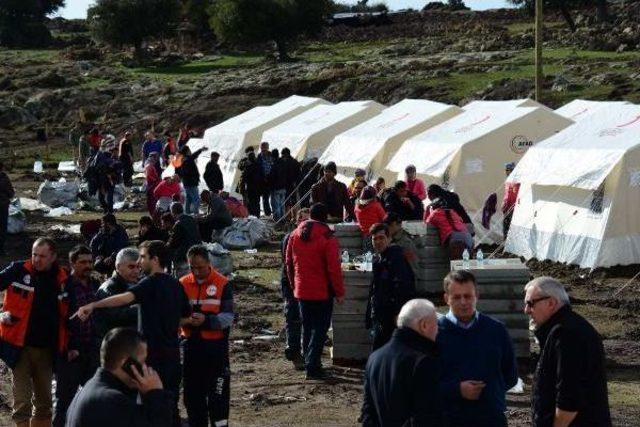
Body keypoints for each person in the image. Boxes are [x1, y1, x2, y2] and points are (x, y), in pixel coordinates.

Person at [73, 240, 191, 427]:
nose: (140, 263)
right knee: (170, 408)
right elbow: (186, 317)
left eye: (143, 257)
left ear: (155, 259)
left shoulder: (149, 283)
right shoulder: (176, 285)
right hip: (173, 356)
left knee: (149, 408)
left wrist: (94, 304)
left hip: (151, 360)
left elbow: (125, 298)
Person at [0, 238, 69, 427]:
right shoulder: (18, 270)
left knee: (44, 402)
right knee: (22, 401)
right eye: (34, 254)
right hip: (20, 347)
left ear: (53, 257)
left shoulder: (62, 278)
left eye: (42, 256)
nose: (37, 260)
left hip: (47, 350)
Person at [524, 277, 611, 427]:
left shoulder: (566, 334)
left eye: (530, 303)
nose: (526, 310)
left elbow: (569, 399)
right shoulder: (564, 329)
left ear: (551, 303)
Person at [437, 270, 518, 427]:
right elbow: (424, 384)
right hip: (450, 419)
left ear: (477, 296)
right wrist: (457, 390)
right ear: (446, 299)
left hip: (490, 418)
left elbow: (510, 375)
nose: (463, 302)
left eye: (468, 296)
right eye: (456, 297)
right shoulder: (434, 334)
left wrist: (490, 392)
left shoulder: (496, 330)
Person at [65, 328, 174, 427]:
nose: (146, 367)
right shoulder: (111, 401)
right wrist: (155, 394)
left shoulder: (93, 389)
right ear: (127, 364)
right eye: (143, 361)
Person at [285, 203, 345, 379]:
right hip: (321, 291)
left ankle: (309, 361)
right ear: (325, 217)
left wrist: (293, 284)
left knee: (308, 326)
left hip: (302, 288)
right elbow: (333, 268)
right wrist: (339, 292)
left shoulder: (294, 235)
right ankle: (313, 365)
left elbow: (288, 263)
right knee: (320, 329)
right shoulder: (328, 237)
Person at [361, 299, 442, 427]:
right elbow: (424, 417)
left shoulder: (374, 358)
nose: (438, 330)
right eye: (436, 324)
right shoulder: (423, 362)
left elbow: (367, 413)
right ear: (424, 325)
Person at [180, 245, 234, 427]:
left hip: (215, 350)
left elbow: (228, 317)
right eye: (192, 267)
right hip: (190, 348)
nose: (196, 272)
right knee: (193, 398)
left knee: (218, 398)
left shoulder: (222, 283)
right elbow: (172, 316)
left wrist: (206, 321)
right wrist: (186, 321)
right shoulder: (182, 283)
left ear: (209, 263)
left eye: (200, 267)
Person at [53, 246, 101, 427]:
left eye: (90, 262)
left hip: (92, 350)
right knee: (64, 402)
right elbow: (58, 320)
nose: (88, 266)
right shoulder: (64, 287)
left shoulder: (95, 285)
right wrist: (69, 346)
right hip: (70, 353)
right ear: (73, 263)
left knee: (94, 401)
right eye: (83, 262)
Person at [366, 223, 416, 350]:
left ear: (389, 239)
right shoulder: (379, 260)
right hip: (380, 315)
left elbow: (405, 286)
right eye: (374, 239)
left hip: (391, 317)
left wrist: (397, 313)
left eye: (381, 238)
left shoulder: (395, 258)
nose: (378, 242)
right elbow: (375, 290)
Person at [280, 208, 310, 370]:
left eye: (306, 220)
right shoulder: (289, 238)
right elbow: (286, 263)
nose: (303, 223)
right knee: (292, 315)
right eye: (301, 219)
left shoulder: (309, 238)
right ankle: (292, 347)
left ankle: (299, 348)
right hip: (291, 282)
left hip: (304, 283)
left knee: (303, 317)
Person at [94, 248, 141, 342]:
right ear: (118, 267)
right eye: (131, 267)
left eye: (138, 267)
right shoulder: (108, 289)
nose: (136, 271)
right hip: (115, 345)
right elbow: (115, 316)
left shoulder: (138, 284)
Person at [167, 202, 201, 278]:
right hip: (198, 248)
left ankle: (171, 274)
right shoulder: (191, 219)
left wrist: (167, 245)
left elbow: (174, 242)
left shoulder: (178, 224)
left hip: (185, 253)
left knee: (168, 251)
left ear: (173, 212)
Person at [175, 145, 207, 215]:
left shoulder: (184, 159)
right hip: (191, 183)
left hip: (187, 183)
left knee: (189, 199)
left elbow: (194, 155)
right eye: (189, 150)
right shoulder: (187, 160)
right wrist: (201, 149)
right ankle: (196, 214)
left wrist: (201, 149)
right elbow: (193, 156)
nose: (190, 151)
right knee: (196, 200)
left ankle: (187, 213)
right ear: (187, 152)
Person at [237, 147, 261, 217]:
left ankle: (250, 216)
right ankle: (255, 216)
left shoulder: (255, 161)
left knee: (248, 202)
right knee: (254, 202)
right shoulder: (246, 161)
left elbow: (244, 176)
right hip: (254, 187)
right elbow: (240, 167)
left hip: (249, 186)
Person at [0, 161, 15, 255]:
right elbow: (11, 193)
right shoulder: (4, 178)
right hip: (2, 206)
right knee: (2, 227)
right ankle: (1, 250)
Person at [502, 162, 520, 239]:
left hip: (513, 207)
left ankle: (508, 242)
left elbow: (510, 195)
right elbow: (507, 195)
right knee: (507, 225)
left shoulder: (516, 182)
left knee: (509, 225)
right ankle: (506, 242)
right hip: (509, 207)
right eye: (506, 170)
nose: (506, 172)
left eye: (508, 170)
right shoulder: (509, 181)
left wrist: (505, 204)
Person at [269, 149, 288, 222]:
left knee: (276, 205)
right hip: (283, 187)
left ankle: (278, 220)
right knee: (282, 205)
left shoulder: (274, 165)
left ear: (273, 157)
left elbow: (272, 177)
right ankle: (283, 219)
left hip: (276, 188)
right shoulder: (284, 163)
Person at [257, 142, 274, 216]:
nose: (263, 149)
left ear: (267, 148)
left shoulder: (271, 156)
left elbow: (274, 167)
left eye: (265, 148)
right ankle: (267, 212)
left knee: (270, 197)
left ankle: (270, 212)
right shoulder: (259, 157)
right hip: (262, 180)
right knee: (265, 197)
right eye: (262, 148)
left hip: (270, 179)